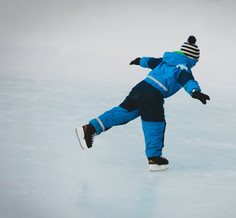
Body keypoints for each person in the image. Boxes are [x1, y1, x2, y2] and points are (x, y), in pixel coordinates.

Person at [76, 35, 210, 171]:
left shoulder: (165, 60)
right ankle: (154, 158)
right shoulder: (183, 68)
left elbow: (150, 61)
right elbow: (188, 81)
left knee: (123, 112)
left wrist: (139, 61)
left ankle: (90, 128)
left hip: (141, 87)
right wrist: (195, 92)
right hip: (154, 94)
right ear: (192, 59)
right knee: (155, 123)